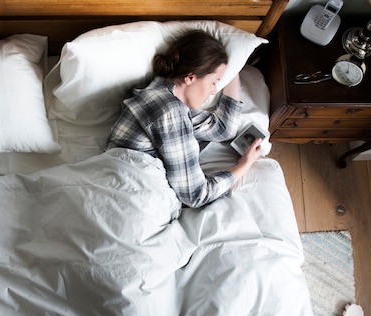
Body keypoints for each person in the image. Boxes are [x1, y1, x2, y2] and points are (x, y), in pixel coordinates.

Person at [105, 30, 262, 208]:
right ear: (190, 77)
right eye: (214, 82)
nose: (213, 91)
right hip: (130, 200)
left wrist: (234, 65)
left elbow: (223, 128)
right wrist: (244, 165)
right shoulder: (170, 112)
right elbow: (195, 196)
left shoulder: (157, 96)